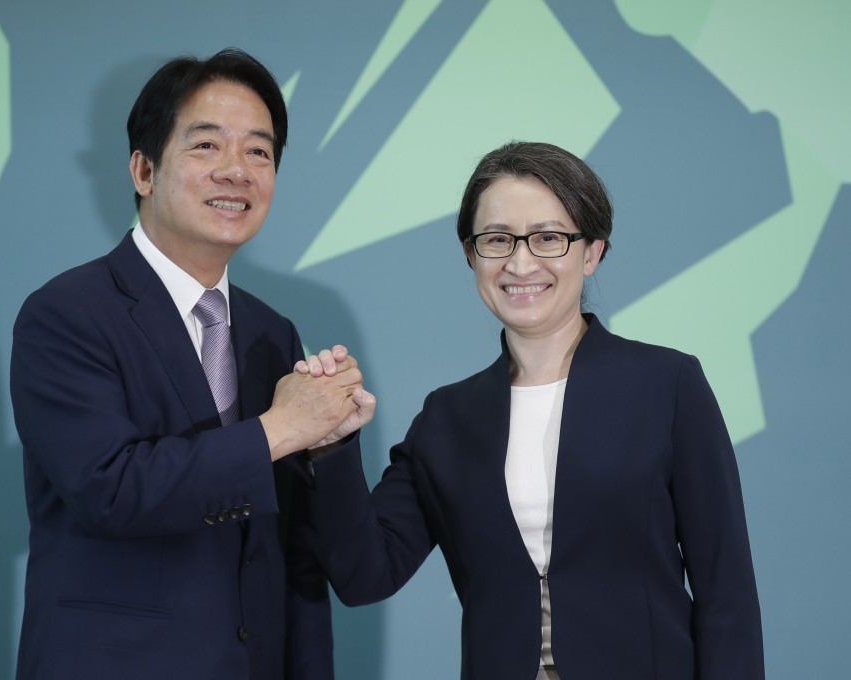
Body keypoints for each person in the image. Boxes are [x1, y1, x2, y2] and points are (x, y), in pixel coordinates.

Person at [299, 141, 764, 679]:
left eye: (548, 238)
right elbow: (364, 576)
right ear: (471, 256)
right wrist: (330, 445)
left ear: (592, 252)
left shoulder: (668, 384)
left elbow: (725, 590)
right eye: (497, 240)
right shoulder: (447, 418)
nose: (521, 262)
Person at [9, 48, 365, 680]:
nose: (237, 171)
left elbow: (288, 550)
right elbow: (110, 489)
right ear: (144, 170)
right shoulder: (65, 313)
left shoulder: (270, 331)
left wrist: (326, 442)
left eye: (259, 152)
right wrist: (281, 429)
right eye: (207, 146)